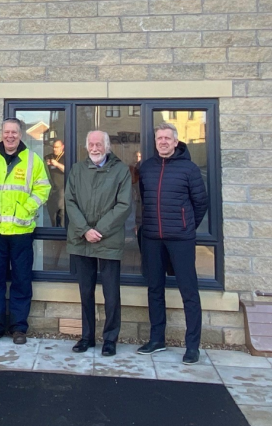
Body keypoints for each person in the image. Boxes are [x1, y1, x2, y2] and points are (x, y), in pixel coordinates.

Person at [136, 123, 209, 364]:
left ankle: (192, 346)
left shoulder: (189, 169)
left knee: (189, 292)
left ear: (176, 142)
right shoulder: (146, 168)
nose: (163, 142)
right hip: (152, 239)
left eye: (168, 138)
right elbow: (143, 200)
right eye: (160, 138)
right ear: (155, 142)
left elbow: (200, 204)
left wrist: (186, 225)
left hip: (181, 239)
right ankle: (157, 339)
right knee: (155, 289)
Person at [0, 118, 51, 345]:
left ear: (21, 135)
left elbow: (43, 188)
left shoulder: (32, 159)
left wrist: (26, 209)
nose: (10, 136)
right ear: (2, 134)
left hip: (21, 230)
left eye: (15, 132)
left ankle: (19, 328)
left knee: (21, 280)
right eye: (7, 132)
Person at [65, 131, 131, 357]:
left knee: (111, 294)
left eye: (98, 144)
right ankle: (87, 337)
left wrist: (99, 230)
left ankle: (110, 339)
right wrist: (85, 230)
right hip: (81, 239)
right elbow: (69, 201)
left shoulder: (121, 170)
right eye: (91, 144)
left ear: (107, 146)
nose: (94, 148)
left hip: (108, 239)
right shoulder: (77, 170)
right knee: (86, 292)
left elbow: (123, 205)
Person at [44, 140, 66, 227]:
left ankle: (61, 231)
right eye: (53, 147)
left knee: (61, 212)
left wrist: (57, 164)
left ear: (62, 147)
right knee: (52, 213)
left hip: (62, 188)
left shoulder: (66, 157)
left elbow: (68, 170)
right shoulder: (48, 157)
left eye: (57, 147)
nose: (55, 149)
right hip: (51, 190)